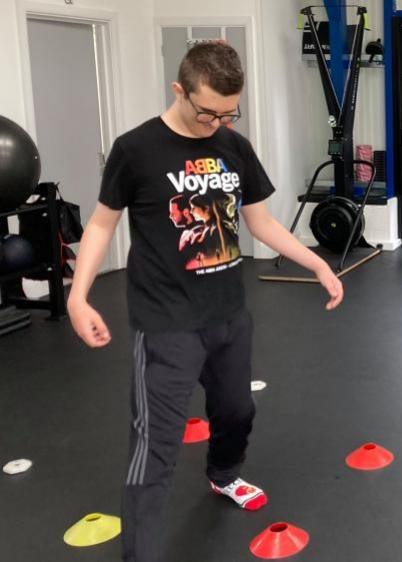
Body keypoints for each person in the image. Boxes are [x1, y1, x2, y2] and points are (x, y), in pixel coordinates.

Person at [66, 42, 343, 562]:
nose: (215, 121)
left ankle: (223, 475)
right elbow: (103, 223)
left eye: (227, 112)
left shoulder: (232, 145)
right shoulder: (136, 149)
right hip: (167, 322)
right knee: (156, 448)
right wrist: (77, 296)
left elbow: (260, 222)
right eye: (206, 110)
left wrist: (317, 262)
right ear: (180, 89)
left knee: (237, 411)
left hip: (229, 314)